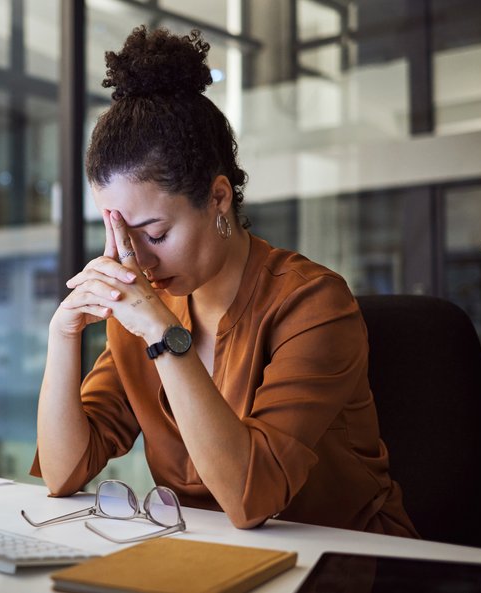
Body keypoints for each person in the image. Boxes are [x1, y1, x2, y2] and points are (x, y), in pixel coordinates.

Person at [30, 26, 418, 537]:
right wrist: (63, 333)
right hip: (214, 560)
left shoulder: (313, 303)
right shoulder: (144, 313)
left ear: (218, 198)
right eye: (121, 236)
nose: (138, 263)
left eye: (155, 233)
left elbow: (250, 498)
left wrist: (162, 337)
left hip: (352, 565)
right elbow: (63, 474)